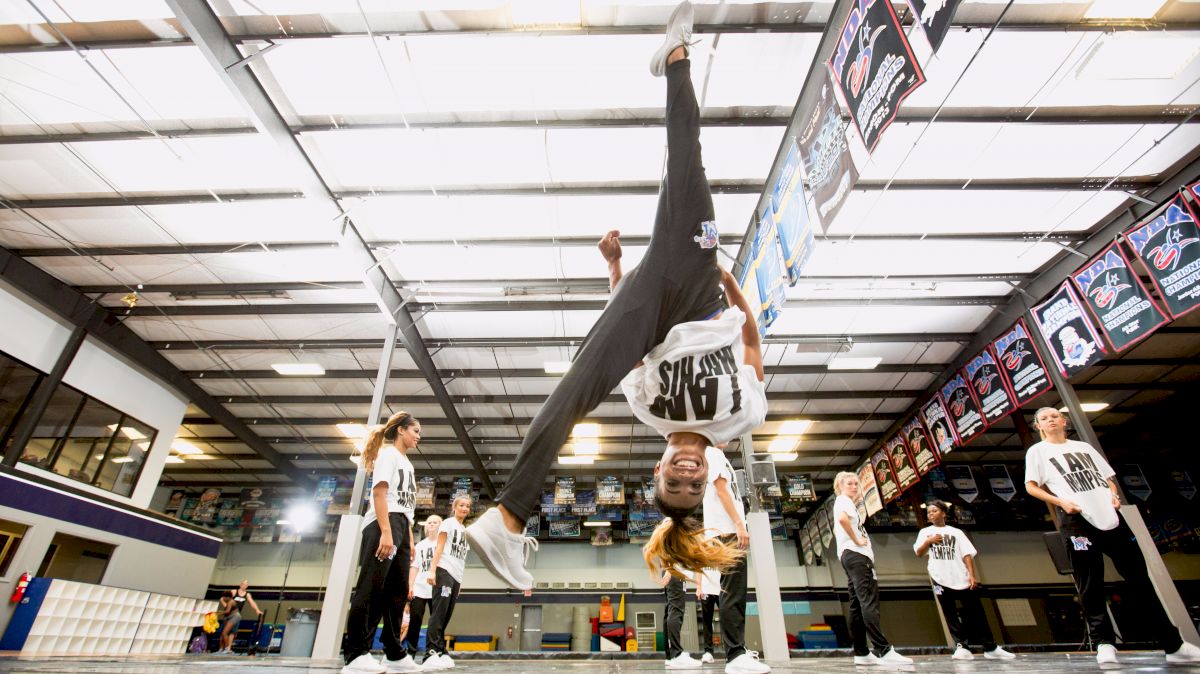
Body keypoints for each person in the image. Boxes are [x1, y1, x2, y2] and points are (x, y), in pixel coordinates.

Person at [464, 0, 755, 591]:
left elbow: (625, 338)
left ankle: (506, 517)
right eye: (693, 485)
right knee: (687, 168)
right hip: (699, 291)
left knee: (576, 386)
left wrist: (616, 266)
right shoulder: (740, 419)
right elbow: (753, 350)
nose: (687, 474)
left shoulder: (649, 409)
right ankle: (676, 58)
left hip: (652, 302)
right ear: (708, 476)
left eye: (673, 482)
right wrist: (735, 292)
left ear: (659, 468)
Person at [1024, 407, 1200, 666]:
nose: (1050, 420)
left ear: (1063, 421)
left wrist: (1113, 494)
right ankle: (1104, 643)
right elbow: (1031, 487)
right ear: (1038, 426)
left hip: (1111, 518)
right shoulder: (1037, 452)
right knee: (1090, 582)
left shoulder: (1084, 448)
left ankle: (1173, 644)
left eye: (1054, 416)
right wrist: (1060, 501)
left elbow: (1108, 479)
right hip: (1077, 522)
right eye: (1044, 419)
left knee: (1140, 578)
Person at [343, 412, 422, 674]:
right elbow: (379, 492)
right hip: (382, 522)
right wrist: (386, 532)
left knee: (398, 591)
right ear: (401, 430)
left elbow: (405, 506)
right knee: (371, 587)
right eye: (416, 431)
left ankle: (393, 652)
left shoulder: (408, 464)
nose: (418, 437)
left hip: (401, 525)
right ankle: (355, 653)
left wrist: (407, 535)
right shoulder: (388, 454)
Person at [913, 501, 1014, 661]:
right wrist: (928, 541)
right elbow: (919, 552)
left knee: (976, 611)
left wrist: (972, 575)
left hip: (961, 577)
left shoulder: (956, 532)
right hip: (939, 577)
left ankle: (990, 647)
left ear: (944, 513)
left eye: (934, 510)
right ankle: (961, 645)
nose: (930, 513)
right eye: (929, 512)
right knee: (950, 612)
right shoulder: (925, 532)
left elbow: (967, 554)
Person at [832, 472, 911, 667]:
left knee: (857, 604)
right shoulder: (843, 501)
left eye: (856, 484)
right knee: (868, 601)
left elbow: (838, 528)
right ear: (839, 486)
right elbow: (842, 520)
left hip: (848, 556)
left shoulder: (843, 502)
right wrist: (857, 539)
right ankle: (883, 650)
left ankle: (861, 652)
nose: (854, 487)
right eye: (849, 483)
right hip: (857, 556)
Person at [423, 496, 472, 670]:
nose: (464, 508)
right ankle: (430, 651)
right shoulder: (448, 524)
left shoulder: (464, 530)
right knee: (439, 612)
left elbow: (463, 559)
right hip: (444, 570)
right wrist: (432, 570)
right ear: (454, 507)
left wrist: (460, 582)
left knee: (447, 614)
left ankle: (441, 650)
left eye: (467, 506)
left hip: (456, 576)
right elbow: (440, 547)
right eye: (461, 505)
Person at [403, 515, 443, 660]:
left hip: (437, 588)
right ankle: (411, 651)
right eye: (430, 522)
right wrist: (410, 585)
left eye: (435, 522)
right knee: (415, 620)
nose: (432, 524)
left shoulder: (443, 544)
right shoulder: (420, 545)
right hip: (420, 588)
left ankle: (436, 650)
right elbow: (414, 566)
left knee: (437, 621)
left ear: (441, 525)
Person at [660, 569, 700, 669]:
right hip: (675, 572)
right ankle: (676, 654)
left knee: (670, 611)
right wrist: (670, 569)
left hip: (671, 572)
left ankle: (671, 656)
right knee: (675, 610)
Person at [220, 580, 261, 654]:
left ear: (247, 586)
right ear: (240, 585)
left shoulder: (247, 595)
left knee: (233, 632)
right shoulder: (233, 592)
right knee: (224, 631)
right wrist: (225, 605)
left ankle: (228, 648)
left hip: (236, 615)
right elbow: (222, 599)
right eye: (243, 584)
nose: (244, 586)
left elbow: (252, 602)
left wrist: (257, 610)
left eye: (246, 585)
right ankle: (221, 648)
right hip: (229, 614)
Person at [696, 568, 720, 664]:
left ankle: (733, 651)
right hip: (706, 589)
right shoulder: (701, 552)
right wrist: (699, 587)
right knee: (706, 621)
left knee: (728, 619)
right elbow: (698, 568)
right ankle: (708, 652)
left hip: (721, 588)